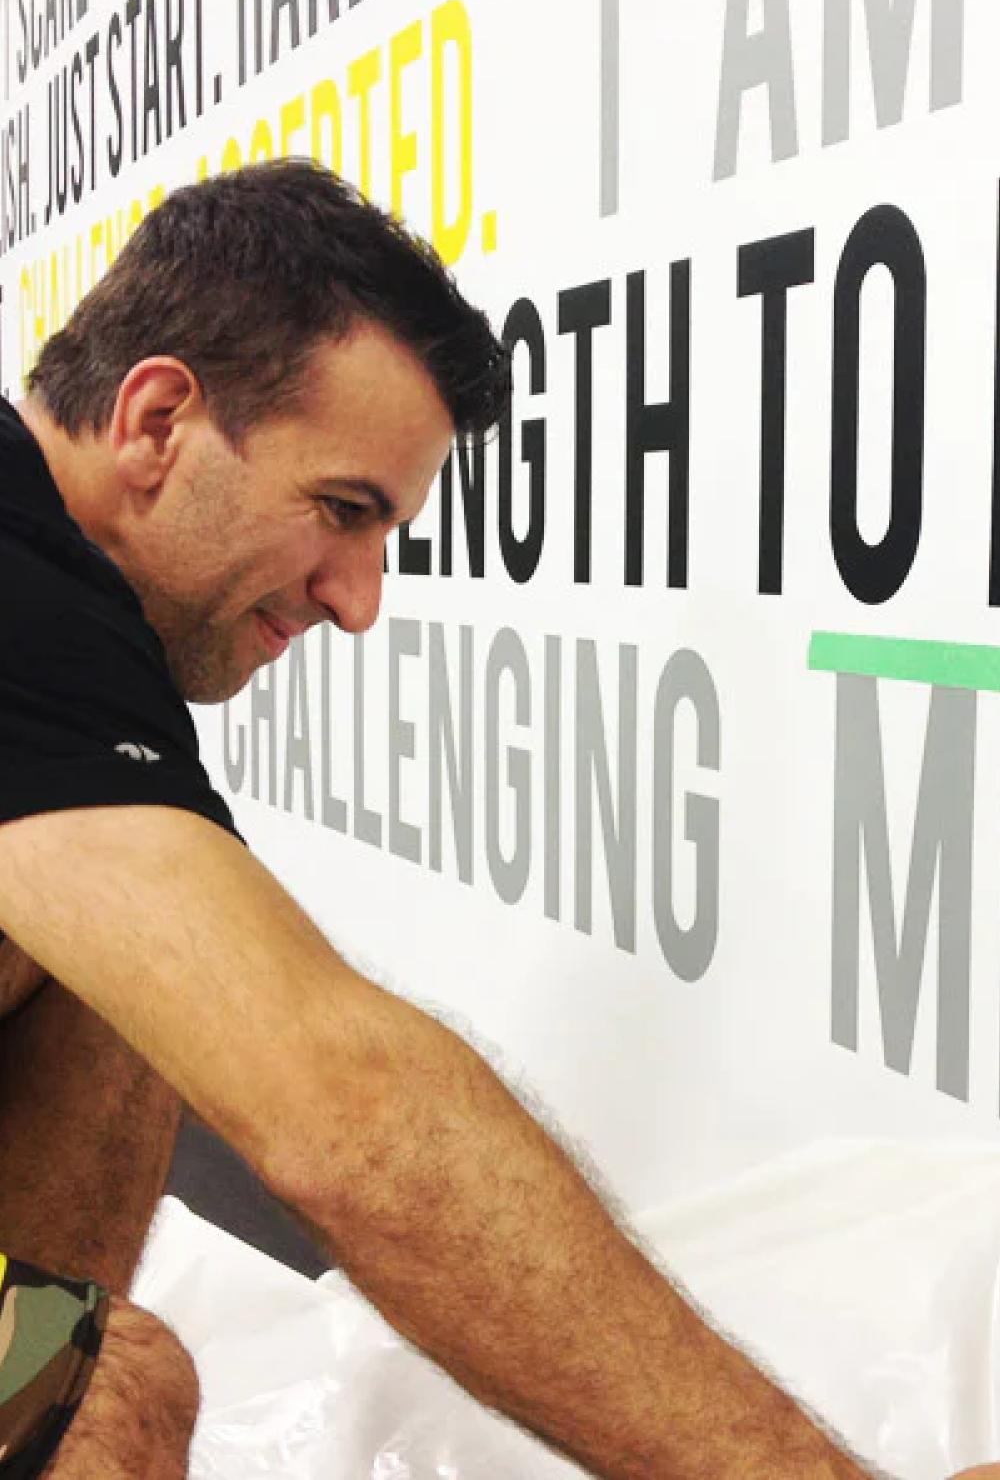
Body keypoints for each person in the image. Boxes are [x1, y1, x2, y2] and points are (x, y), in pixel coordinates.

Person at [0, 158, 991, 1480]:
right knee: (121, 1391)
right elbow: (349, 1114)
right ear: (160, 418)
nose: (360, 600)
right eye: (344, 512)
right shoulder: (22, 602)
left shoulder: (72, 626)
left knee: (125, 988)